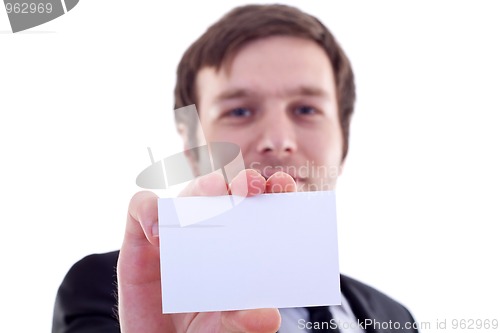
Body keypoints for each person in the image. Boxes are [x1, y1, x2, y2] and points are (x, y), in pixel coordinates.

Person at [52, 4, 418, 333]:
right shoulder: (106, 289)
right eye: (239, 111)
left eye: (307, 109)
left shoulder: (395, 318)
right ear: (193, 148)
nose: (278, 139)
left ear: (344, 140)